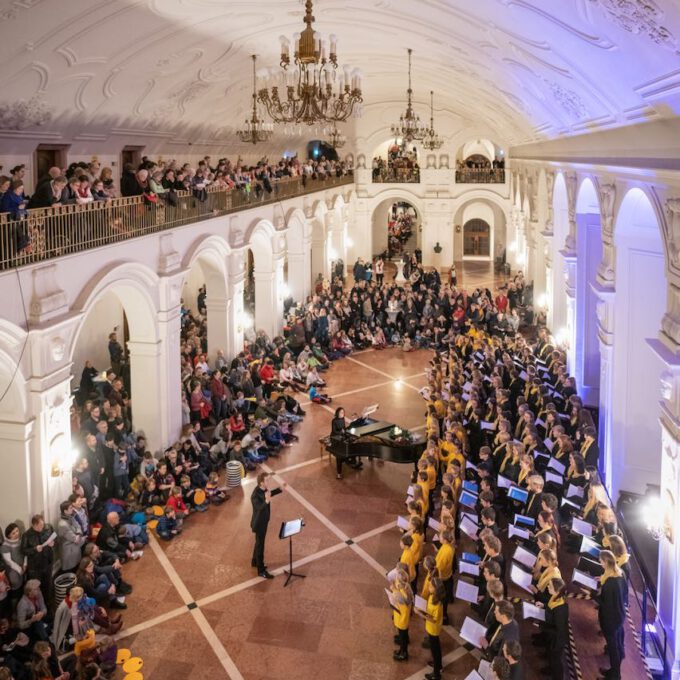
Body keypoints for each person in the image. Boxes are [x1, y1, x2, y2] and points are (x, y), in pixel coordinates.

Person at [597, 550, 627, 680]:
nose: (600, 564)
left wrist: (592, 594)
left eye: (601, 562)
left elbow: (605, 604)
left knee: (613, 648)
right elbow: (624, 593)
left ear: (605, 562)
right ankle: (613, 672)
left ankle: (615, 676)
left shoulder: (609, 583)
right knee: (617, 646)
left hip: (610, 620)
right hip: (619, 615)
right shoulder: (620, 574)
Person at [250, 472, 285, 579]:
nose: (268, 482)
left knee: (258, 542)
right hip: (259, 524)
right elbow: (259, 508)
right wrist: (266, 501)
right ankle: (261, 571)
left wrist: (279, 489)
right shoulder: (254, 495)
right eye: (267, 480)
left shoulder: (263, 489)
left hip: (263, 521)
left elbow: (270, 493)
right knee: (261, 545)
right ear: (261, 483)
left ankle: (255, 561)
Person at [330, 407, 362, 479]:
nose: (343, 414)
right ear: (337, 413)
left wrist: (347, 429)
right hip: (335, 438)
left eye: (343, 412)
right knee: (341, 451)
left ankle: (352, 462)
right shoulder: (334, 421)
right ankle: (339, 473)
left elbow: (344, 428)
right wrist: (341, 432)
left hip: (341, 435)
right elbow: (334, 431)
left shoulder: (342, 419)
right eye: (341, 412)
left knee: (352, 443)